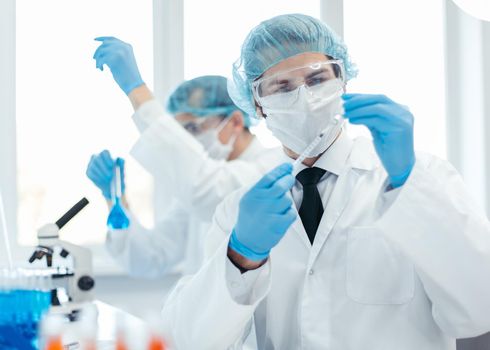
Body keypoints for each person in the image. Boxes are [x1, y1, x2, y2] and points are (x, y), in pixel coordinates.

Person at [160, 14, 490, 349]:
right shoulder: (241, 208)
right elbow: (194, 339)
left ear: (342, 80)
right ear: (258, 105)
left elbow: (481, 306)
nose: (304, 96)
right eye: (282, 87)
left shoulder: (420, 177)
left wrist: (409, 185)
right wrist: (241, 256)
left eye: (317, 79)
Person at [86, 74, 281, 279]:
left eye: (193, 128)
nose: (188, 141)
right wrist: (116, 200)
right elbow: (150, 258)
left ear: (235, 121)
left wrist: (137, 91)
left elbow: (208, 188)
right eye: (182, 133)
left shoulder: (268, 169)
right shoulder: (197, 190)